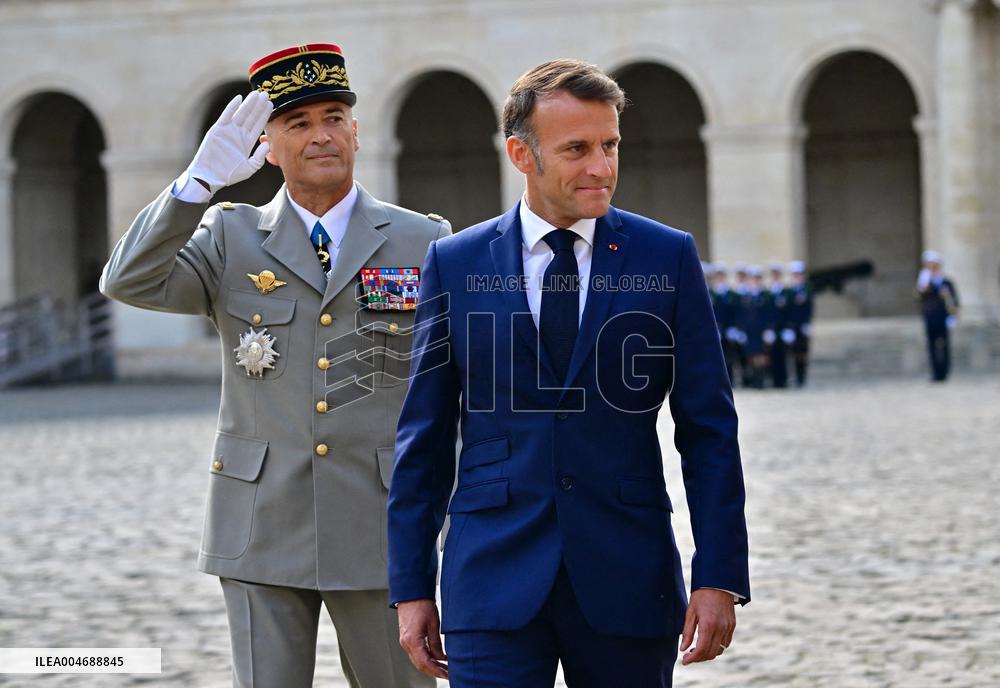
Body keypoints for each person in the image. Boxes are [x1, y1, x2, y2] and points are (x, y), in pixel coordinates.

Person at [388, 59, 750, 688]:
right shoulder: (454, 264)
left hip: (628, 574)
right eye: (577, 149)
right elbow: (424, 437)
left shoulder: (666, 257)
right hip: (490, 578)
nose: (601, 167)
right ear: (520, 154)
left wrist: (718, 574)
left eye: (610, 145)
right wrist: (411, 586)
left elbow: (709, 430)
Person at [100, 43, 443, 687]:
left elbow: (453, 384)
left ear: (356, 132)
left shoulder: (422, 239)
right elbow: (129, 279)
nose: (321, 135)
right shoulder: (230, 236)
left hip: (380, 524)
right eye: (298, 123)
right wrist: (196, 185)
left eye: (334, 118)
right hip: (261, 521)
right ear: (267, 145)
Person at [916, 250, 959, 382]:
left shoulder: (946, 283)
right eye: (929, 266)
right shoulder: (926, 283)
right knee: (932, 347)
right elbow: (919, 297)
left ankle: (944, 372)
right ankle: (935, 373)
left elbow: (954, 302)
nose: (932, 269)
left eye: (934, 266)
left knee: (944, 346)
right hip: (930, 319)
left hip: (943, 319)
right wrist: (924, 283)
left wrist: (952, 317)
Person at [786, 260, 813, 386]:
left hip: (802, 326)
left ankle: (802, 377)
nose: (797, 277)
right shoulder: (789, 292)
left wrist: (807, 323)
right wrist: (787, 327)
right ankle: (795, 376)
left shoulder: (807, 290)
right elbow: (787, 311)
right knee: (793, 353)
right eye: (795, 274)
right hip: (792, 326)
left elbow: (809, 308)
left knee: (802, 352)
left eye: (799, 274)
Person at [766, 262, 791, 388]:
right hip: (771, 330)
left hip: (782, 329)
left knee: (783, 356)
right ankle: (774, 380)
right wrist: (767, 329)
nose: (775, 276)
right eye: (773, 274)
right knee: (772, 356)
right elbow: (764, 313)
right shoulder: (767, 293)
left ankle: (783, 380)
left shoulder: (786, 292)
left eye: (777, 274)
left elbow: (790, 312)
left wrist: (789, 328)